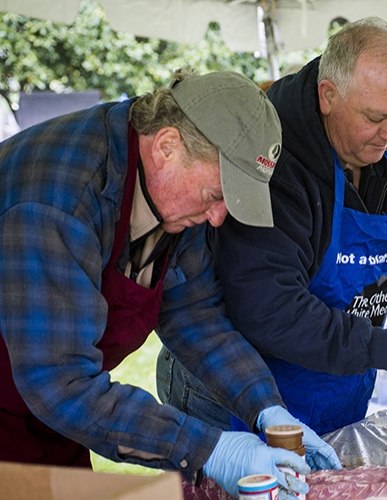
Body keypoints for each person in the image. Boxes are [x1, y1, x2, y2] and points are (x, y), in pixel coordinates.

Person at [0, 70, 341, 500]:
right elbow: (60, 382)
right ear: (166, 146)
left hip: (53, 414)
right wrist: (207, 450)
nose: (218, 218)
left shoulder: (176, 195)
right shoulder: (58, 202)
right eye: (215, 196)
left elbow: (196, 317)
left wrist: (266, 409)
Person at [157, 17, 387, 436]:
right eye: (376, 117)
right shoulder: (272, 169)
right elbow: (269, 307)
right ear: (328, 96)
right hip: (238, 399)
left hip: (337, 392)